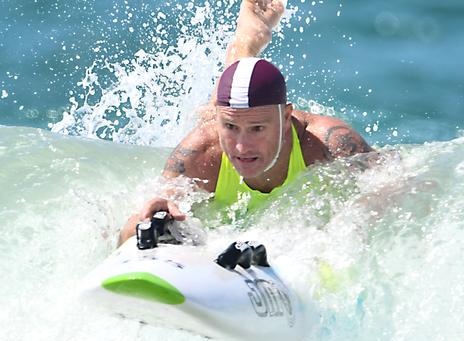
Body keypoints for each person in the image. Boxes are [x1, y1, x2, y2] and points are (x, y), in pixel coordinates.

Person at [119, 0, 373, 244]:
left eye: (257, 129)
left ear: (286, 118)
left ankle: (249, 38)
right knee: (222, 106)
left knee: (239, 102)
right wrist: (150, 220)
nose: (241, 147)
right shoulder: (201, 152)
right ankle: (247, 41)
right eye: (230, 128)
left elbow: (392, 175)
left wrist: (354, 222)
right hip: (218, 117)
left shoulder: (327, 142)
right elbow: (127, 232)